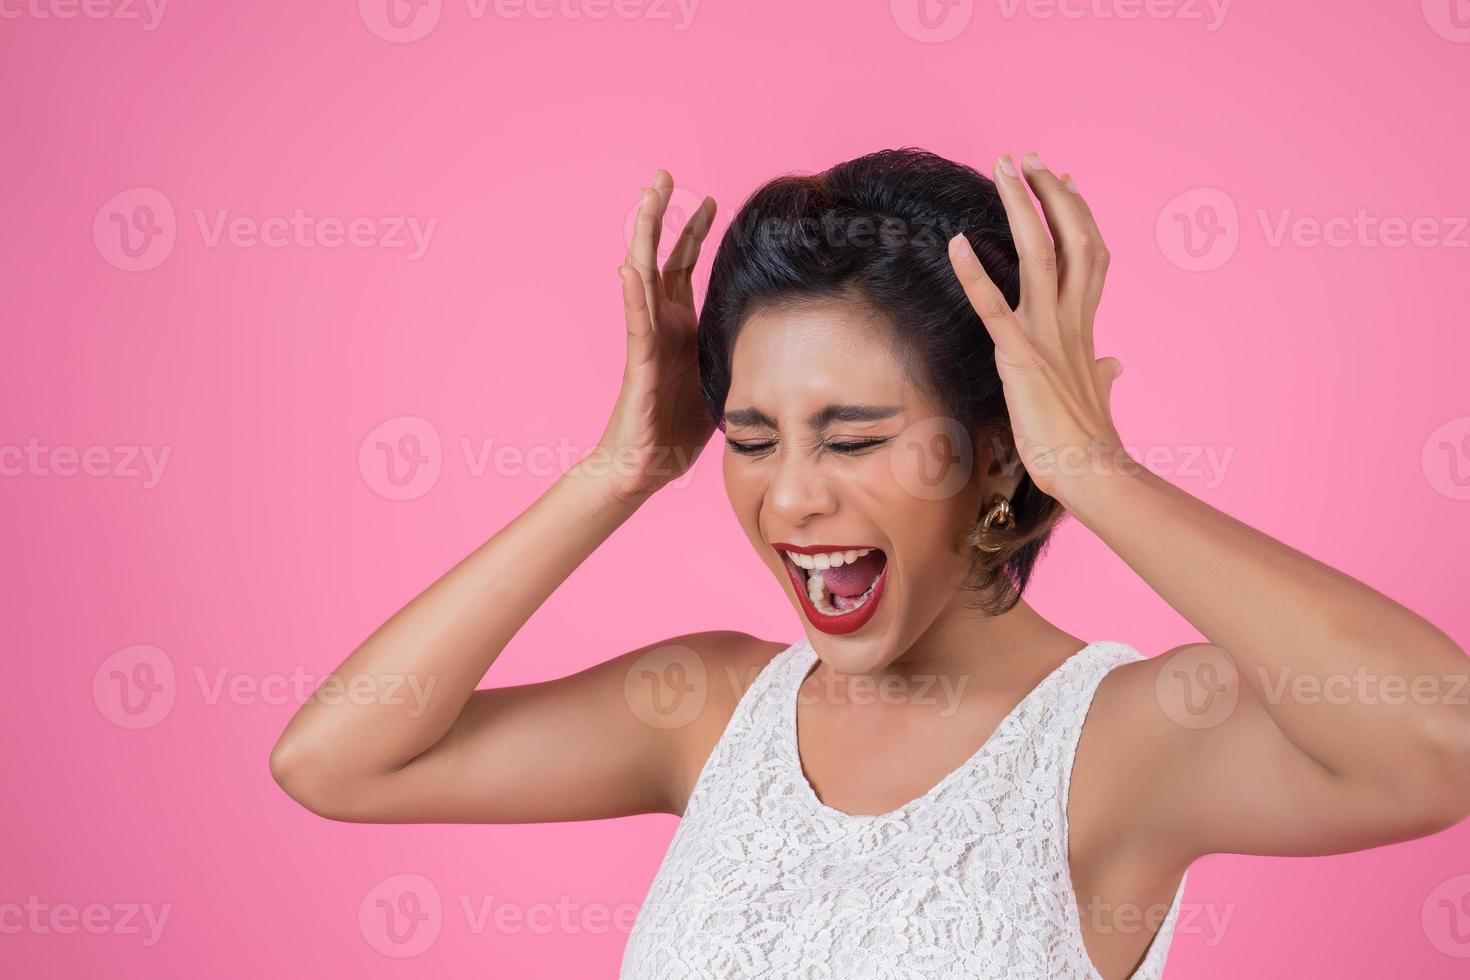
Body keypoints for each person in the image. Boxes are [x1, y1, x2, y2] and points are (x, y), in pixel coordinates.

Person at [269, 148, 1470, 978]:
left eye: (852, 436)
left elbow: (1438, 740)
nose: (791, 494)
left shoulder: (1125, 740)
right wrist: (618, 468)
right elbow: (336, 758)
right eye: (751, 437)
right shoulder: (706, 711)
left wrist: (1095, 468)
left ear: (997, 444)